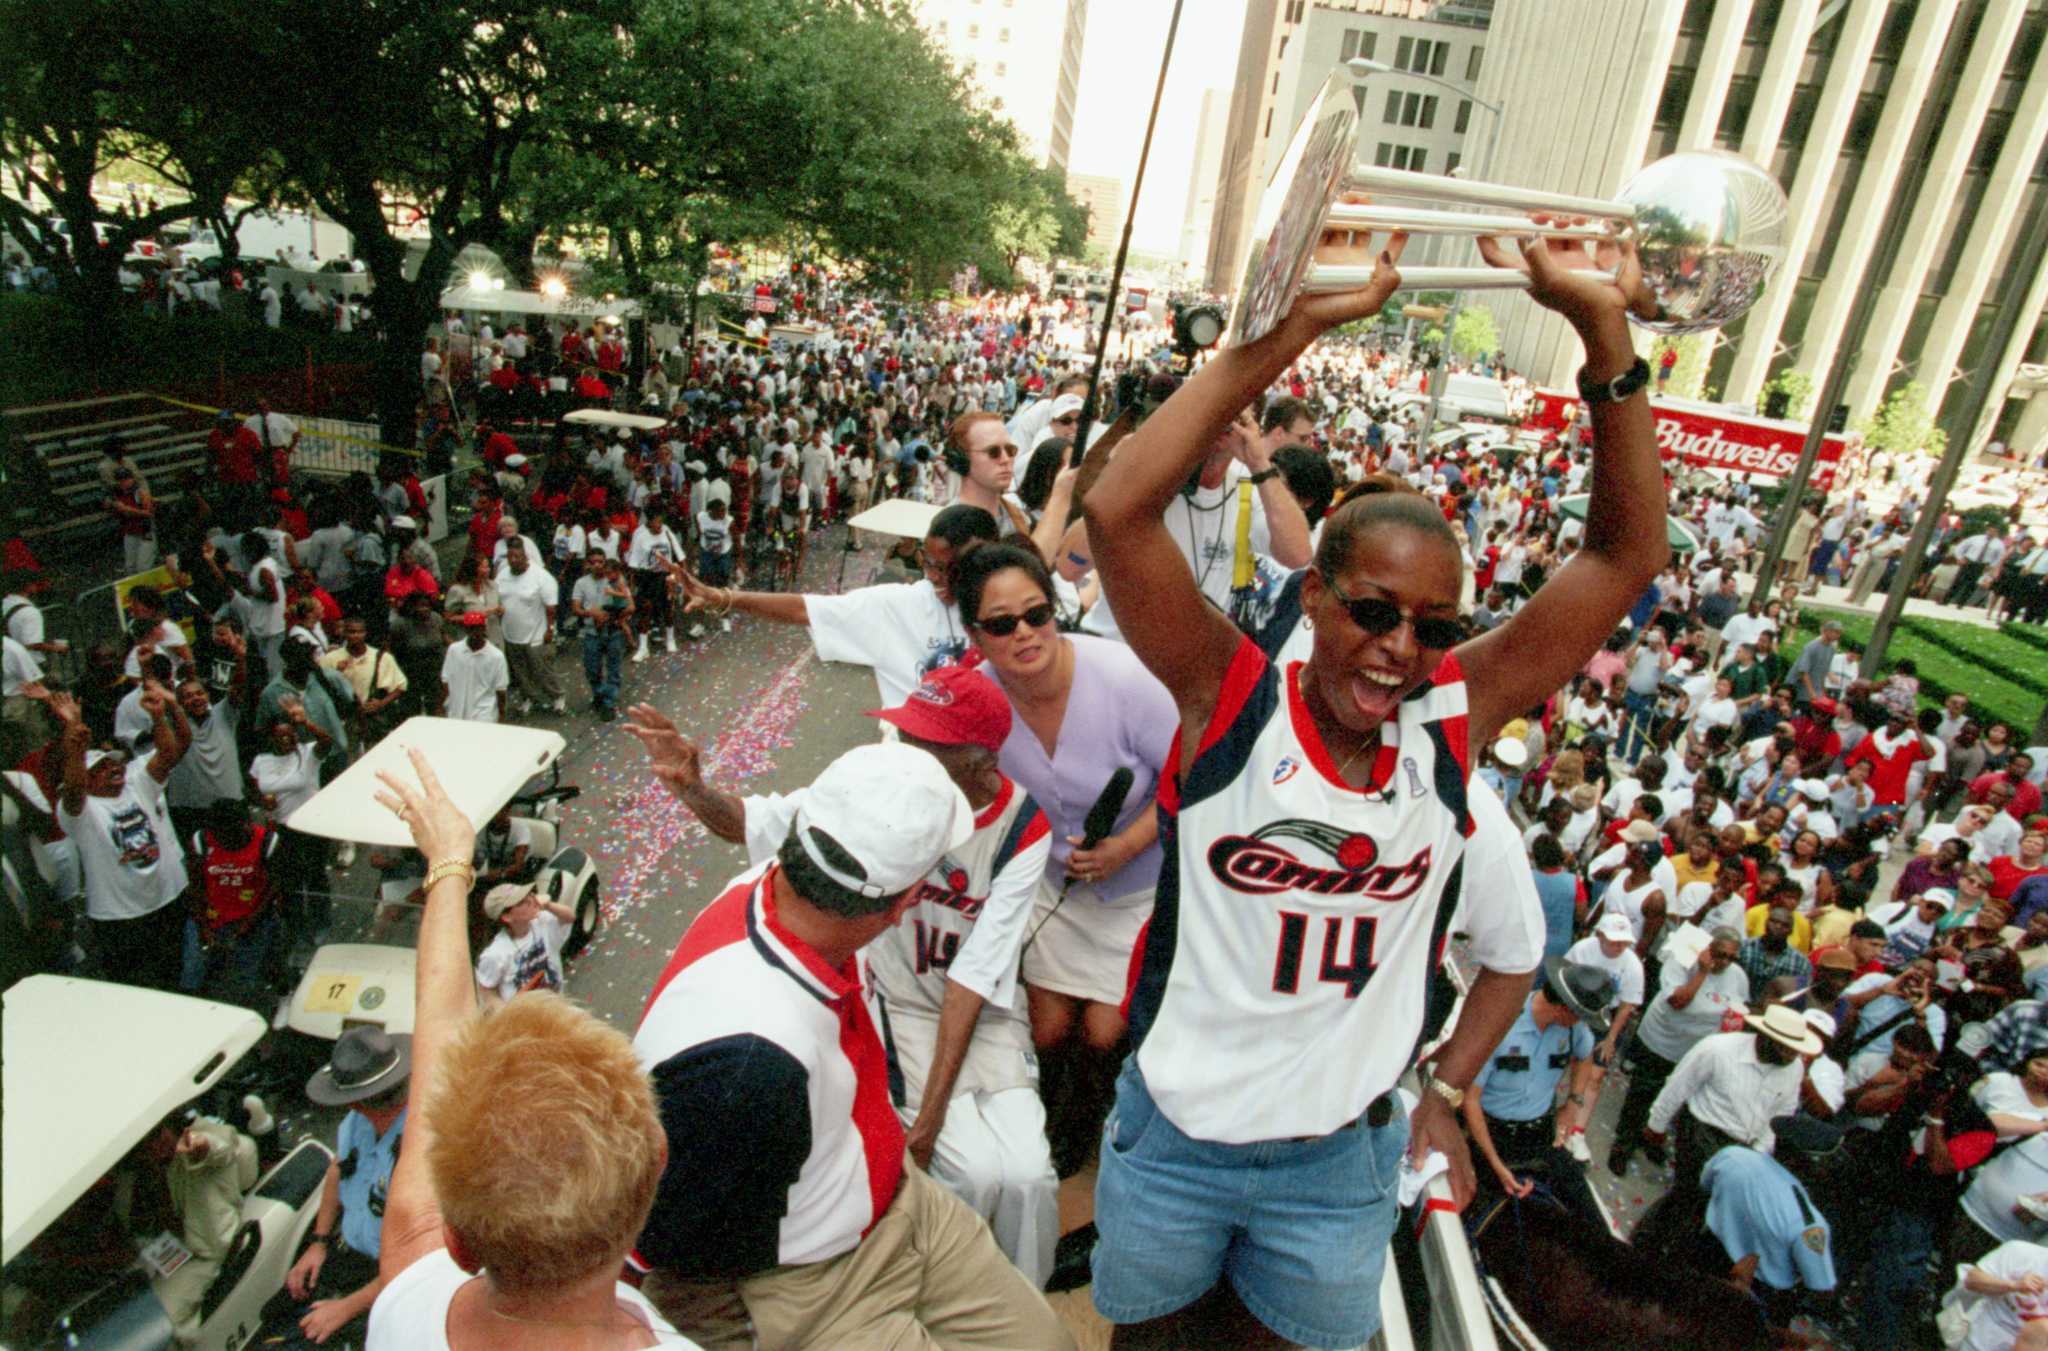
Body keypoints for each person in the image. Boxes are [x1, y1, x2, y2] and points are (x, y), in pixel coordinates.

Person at [1079, 223, 1660, 1347]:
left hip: (1335, 1162)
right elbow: (1116, 510)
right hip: (1178, 1141)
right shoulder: (1230, 700)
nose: (1399, 649)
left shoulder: (1450, 719)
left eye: (1433, 627)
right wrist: (1285, 332)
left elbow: (1621, 558)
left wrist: (1603, 331)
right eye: (1373, 612)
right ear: (1313, 597)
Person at [628, 664, 1062, 1287]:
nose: (906, 749)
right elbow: (756, 823)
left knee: (1027, 1175)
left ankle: (1021, 1289)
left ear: (979, 760)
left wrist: (928, 1121)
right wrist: (695, 789)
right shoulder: (883, 787)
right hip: (897, 1000)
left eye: (927, 742)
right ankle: (945, 1283)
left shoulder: (1023, 827)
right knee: (971, 1173)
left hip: (978, 1006)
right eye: (907, 733)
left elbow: (977, 974)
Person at [365, 749, 688, 1349]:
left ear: (458, 1244)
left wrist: (449, 863)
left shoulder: (406, 1305)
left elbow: (441, 1023)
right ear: (656, 1166)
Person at [678, 503, 1000, 706]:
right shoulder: (900, 604)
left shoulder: (1016, 612)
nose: (933, 576)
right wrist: (725, 598)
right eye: (928, 563)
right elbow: (806, 608)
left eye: (948, 568)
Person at [54, 684, 191, 990]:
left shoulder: (136, 785)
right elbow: (73, 791)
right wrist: (75, 746)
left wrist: (159, 716)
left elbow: (169, 755)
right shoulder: (82, 813)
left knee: (172, 980)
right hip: (120, 919)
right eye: (101, 768)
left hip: (167, 902)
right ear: (88, 779)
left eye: (114, 763)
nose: (114, 768)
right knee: (132, 989)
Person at [287, 1027, 413, 1343]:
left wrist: (346, 1308)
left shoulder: (420, 1151)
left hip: (395, 1278)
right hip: (349, 1254)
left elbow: (416, 1259)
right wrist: (318, 1242)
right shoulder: (358, 1123)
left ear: (355, 1102)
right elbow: (338, 1169)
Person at [1463, 958, 1612, 1206]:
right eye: (1580, 1016)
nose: (1581, 1023)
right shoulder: (1502, 1023)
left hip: (1538, 1135)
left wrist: (1573, 1104)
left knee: (1581, 1207)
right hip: (1489, 1135)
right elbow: (1471, 1100)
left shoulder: (1573, 1030)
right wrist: (1496, 1165)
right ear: (1564, 1009)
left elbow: (1584, 1057)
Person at [1612, 926, 1749, 1175]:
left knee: (1674, 1098)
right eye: (1720, 954)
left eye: (1732, 957)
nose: (1725, 962)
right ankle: (1624, 1145)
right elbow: (1678, 1002)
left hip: (1694, 1051)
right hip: (1661, 1041)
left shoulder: (1737, 976)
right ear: (1707, 947)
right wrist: (1703, 972)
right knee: (1643, 1094)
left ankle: (1651, 1136)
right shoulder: (1682, 960)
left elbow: (1737, 1010)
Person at [1644, 1005, 1819, 1193]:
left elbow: (1782, 1114)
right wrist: (1657, 1124)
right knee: (1690, 1193)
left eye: (1795, 1051)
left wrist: (1758, 1154)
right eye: (1786, 1049)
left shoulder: (1794, 1068)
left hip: (1746, 1148)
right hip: (1703, 1134)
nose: (1792, 1057)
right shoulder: (1717, 1049)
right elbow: (1679, 1085)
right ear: (1765, 1038)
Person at [472, 881, 574, 1007]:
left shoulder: (542, 921)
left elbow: (569, 917)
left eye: (529, 895)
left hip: (557, 1006)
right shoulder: (495, 954)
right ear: (507, 917)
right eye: (521, 902)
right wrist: (505, 1011)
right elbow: (486, 989)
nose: (531, 900)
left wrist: (548, 905)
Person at [494, 540, 564, 716]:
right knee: (520, 671)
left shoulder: (541, 577)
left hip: (536, 634)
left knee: (542, 669)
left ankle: (557, 696)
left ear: (526, 557)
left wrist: (550, 629)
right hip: (511, 633)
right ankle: (529, 697)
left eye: (517, 556)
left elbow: (551, 608)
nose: (513, 560)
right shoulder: (502, 575)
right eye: (510, 557)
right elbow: (497, 598)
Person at [570, 550, 634, 720]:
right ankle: (599, 693)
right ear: (588, 564)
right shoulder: (581, 583)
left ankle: (609, 703)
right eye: (593, 562)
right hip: (591, 632)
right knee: (592, 669)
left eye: (601, 561)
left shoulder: (615, 580)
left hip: (613, 631)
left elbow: (630, 605)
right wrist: (591, 613)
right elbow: (576, 608)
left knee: (613, 669)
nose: (597, 565)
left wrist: (614, 617)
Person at [439, 613, 509, 724]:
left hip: (483, 714)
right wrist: (441, 707)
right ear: (465, 629)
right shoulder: (454, 650)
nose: (475, 632)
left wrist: (502, 715)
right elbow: (446, 681)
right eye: (471, 628)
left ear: (484, 629)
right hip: (456, 711)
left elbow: (501, 689)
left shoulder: (496, 656)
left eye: (478, 628)